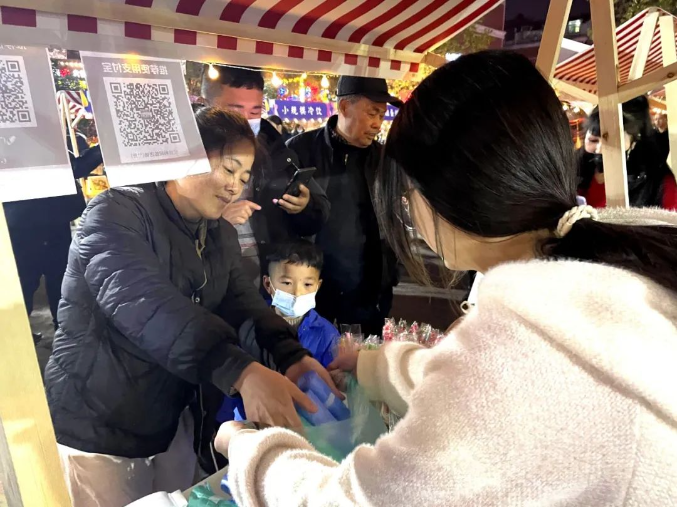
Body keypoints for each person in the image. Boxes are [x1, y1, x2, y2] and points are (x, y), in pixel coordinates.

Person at [216, 51, 677, 506]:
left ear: (445, 194)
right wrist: (371, 367)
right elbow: (486, 389)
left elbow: (356, 500)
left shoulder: (516, 339)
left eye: (407, 194)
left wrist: (248, 449)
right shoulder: (619, 259)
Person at [44, 107, 338, 506]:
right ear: (184, 154)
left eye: (244, 178)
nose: (234, 186)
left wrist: (291, 355)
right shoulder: (116, 212)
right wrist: (240, 370)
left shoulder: (218, 234)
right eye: (228, 169)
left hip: (167, 419)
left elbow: (244, 304)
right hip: (97, 425)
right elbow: (146, 305)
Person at [287, 76, 401, 335]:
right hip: (311, 281)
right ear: (345, 107)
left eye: (381, 115)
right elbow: (280, 215)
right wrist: (301, 208)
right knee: (311, 351)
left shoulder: (384, 159)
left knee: (362, 355)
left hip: (368, 285)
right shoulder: (300, 149)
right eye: (372, 113)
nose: (377, 124)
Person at [201, 66, 329, 285]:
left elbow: (318, 216)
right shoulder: (186, 161)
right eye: (235, 111)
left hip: (268, 282)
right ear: (207, 106)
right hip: (212, 281)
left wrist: (304, 206)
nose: (245, 121)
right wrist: (217, 223)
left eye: (255, 112)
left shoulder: (279, 154)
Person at [218, 240, 340, 423]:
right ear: (268, 284)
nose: (297, 292)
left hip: (309, 425)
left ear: (318, 286)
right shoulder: (249, 327)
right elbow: (233, 381)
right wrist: (228, 424)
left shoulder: (327, 335)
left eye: (307, 284)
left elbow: (332, 389)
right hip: (253, 422)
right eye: (287, 282)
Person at [4, 127, 103, 342]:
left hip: (20, 219)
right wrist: (103, 148)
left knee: (27, 279)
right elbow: (73, 169)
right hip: (44, 218)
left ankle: (19, 335)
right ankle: (60, 330)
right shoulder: (36, 135)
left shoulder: (11, 138)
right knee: (52, 277)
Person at [578, 98, 677, 209]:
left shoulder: (658, 182)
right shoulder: (576, 166)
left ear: (634, 142)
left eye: (612, 142)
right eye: (593, 140)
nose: (599, 149)